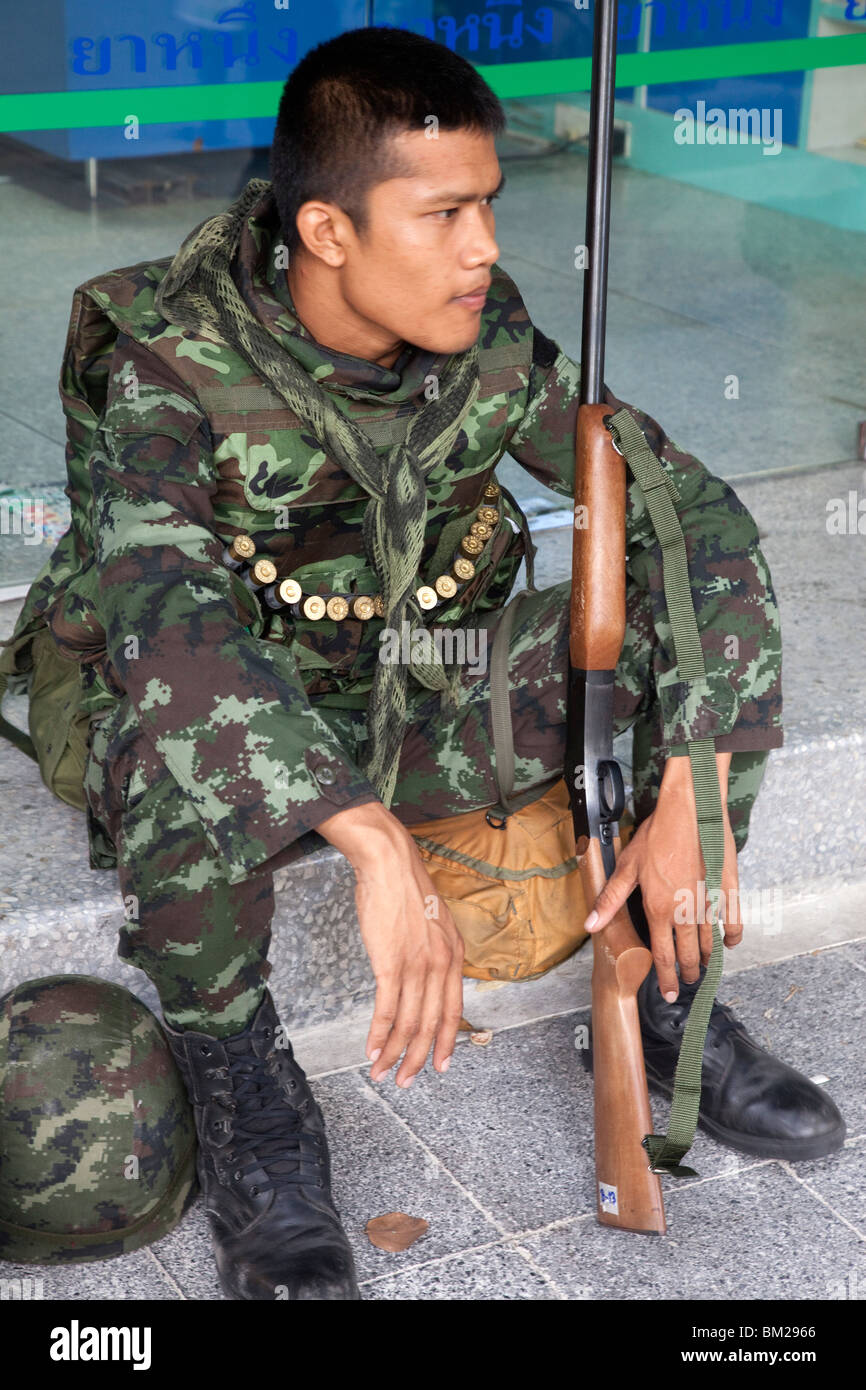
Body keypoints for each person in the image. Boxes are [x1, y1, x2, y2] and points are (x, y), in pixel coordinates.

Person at [33, 27, 843, 1299]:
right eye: (446, 212)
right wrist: (368, 837)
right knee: (169, 736)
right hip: (240, 693)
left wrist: (689, 781)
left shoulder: (484, 331)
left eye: (492, 207)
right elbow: (165, 610)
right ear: (327, 229)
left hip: (414, 670)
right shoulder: (157, 351)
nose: (485, 250)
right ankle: (250, 1099)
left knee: (654, 621)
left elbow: (685, 513)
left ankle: (664, 989)